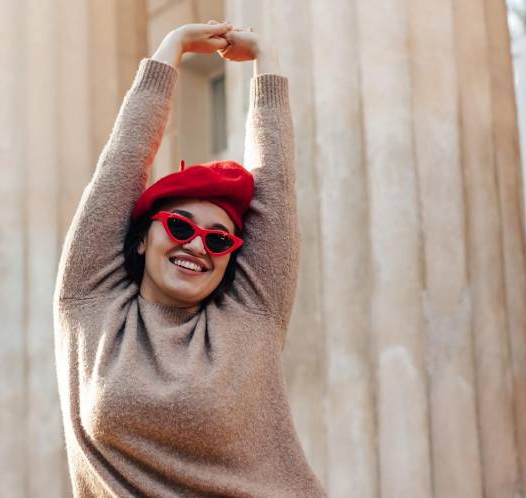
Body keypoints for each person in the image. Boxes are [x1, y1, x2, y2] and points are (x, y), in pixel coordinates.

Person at [53, 20, 326, 497]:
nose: (198, 245)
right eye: (180, 227)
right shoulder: (90, 307)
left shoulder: (251, 318)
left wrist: (267, 61)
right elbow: (121, 166)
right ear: (141, 239)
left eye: (219, 240)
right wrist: (171, 50)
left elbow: (275, 187)